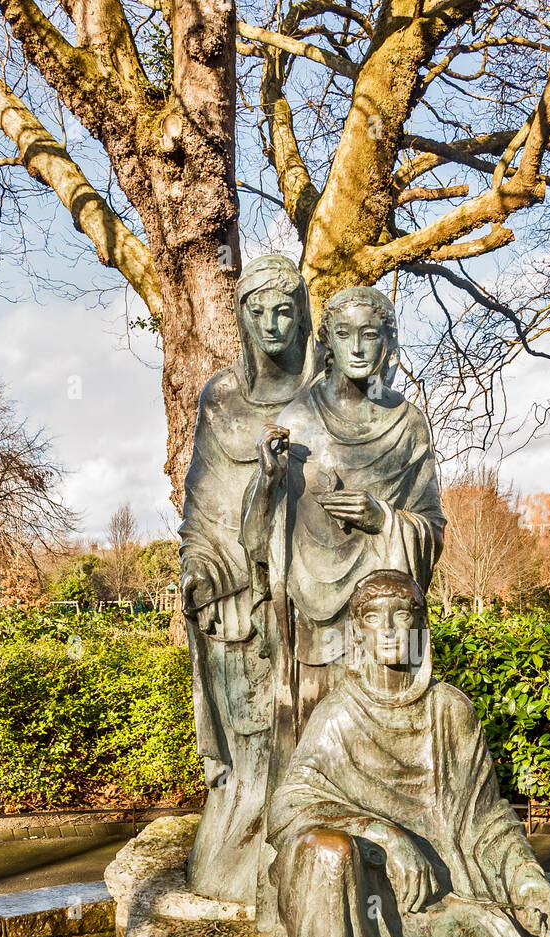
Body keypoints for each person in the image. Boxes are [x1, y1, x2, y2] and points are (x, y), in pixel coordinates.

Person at [267, 569, 550, 937]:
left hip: (443, 907)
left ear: (419, 626)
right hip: (360, 912)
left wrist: (526, 877)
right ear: (357, 631)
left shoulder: (450, 712)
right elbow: (288, 809)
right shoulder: (338, 716)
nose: (387, 628)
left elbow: (486, 821)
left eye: (401, 614)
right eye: (372, 616)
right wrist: (383, 834)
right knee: (325, 853)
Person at [241, 287, 445, 811]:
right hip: (311, 624)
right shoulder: (297, 418)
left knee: (382, 749)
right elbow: (257, 534)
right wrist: (267, 477)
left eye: (370, 334)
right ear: (326, 342)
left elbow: (432, 530)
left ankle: (388, 847)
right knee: (314, 748)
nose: (358, 348)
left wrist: (384, 520)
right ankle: (311, 858)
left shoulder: (409, 425)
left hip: (383, 624)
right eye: (345, 334)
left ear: (387, 343)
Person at [179, 255, 317, 902]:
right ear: (239, 317)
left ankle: (304, 861)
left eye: (283, 310)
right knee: (249, 746)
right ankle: (243, 862)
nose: (269, 323)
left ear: (303, 315)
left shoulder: (328, 390)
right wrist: (201, 569)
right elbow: (203, 501)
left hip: (312, 596)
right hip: (233, 595)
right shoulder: (221, 397)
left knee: (306, 738)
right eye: (256, 310)